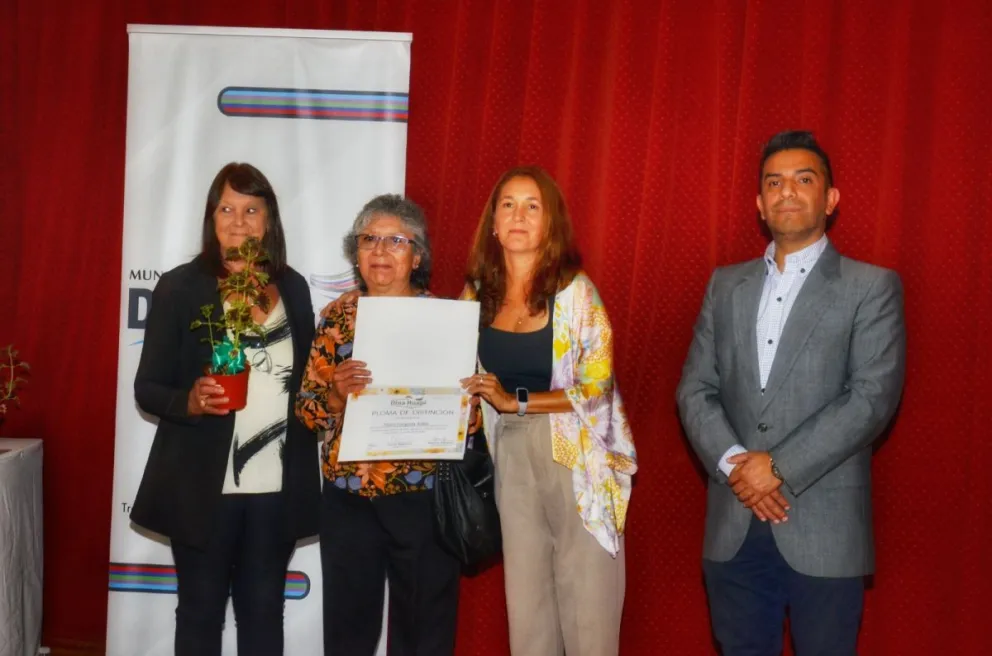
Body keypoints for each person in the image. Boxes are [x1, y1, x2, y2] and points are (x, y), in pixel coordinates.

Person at [676, 130, 907, 655]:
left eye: (804, 180)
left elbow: (870, 399)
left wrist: (775, 466)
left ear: (830, 198)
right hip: (733, 528)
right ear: (759, 204)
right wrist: (738, 464)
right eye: (774, 182)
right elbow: (695, 389)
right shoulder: (724, 285)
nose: (788, 192)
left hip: (825, 531)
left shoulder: (870, 287)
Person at [131, 162, 319, 656]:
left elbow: (307, 384)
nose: (239, 221)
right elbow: (147, 387)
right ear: (211, 219)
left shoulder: (294, 288)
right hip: (201, 490)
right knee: (199, 614)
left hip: (275, 491)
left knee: (263, 616)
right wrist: (188, 400)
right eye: (227, 209)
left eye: (251, 209)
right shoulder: (180, 287)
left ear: (269, 221)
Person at [460, 166, 637, 656]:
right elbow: (453, 376)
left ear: (550, 224)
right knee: (527, 607)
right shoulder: (474, 296)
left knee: (589, 609)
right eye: (508, 204)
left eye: (532, 206)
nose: (518, 215)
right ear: (493, 223)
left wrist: (517, 400)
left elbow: (598, 388)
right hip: (509, 455)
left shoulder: (577, 293)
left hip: (576, 456)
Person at [295, 194, 460, 656]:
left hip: (424, 496)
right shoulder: (335, 319)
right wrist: (334, 394)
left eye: (395, 241)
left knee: (424, 635)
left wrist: (465, 397)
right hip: (349, 499)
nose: (381, 251)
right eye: (369, 239)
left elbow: (471, 422)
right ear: (356, 251)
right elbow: (309, 414)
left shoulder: (449, 321)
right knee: (348, 634)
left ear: (417, 255)